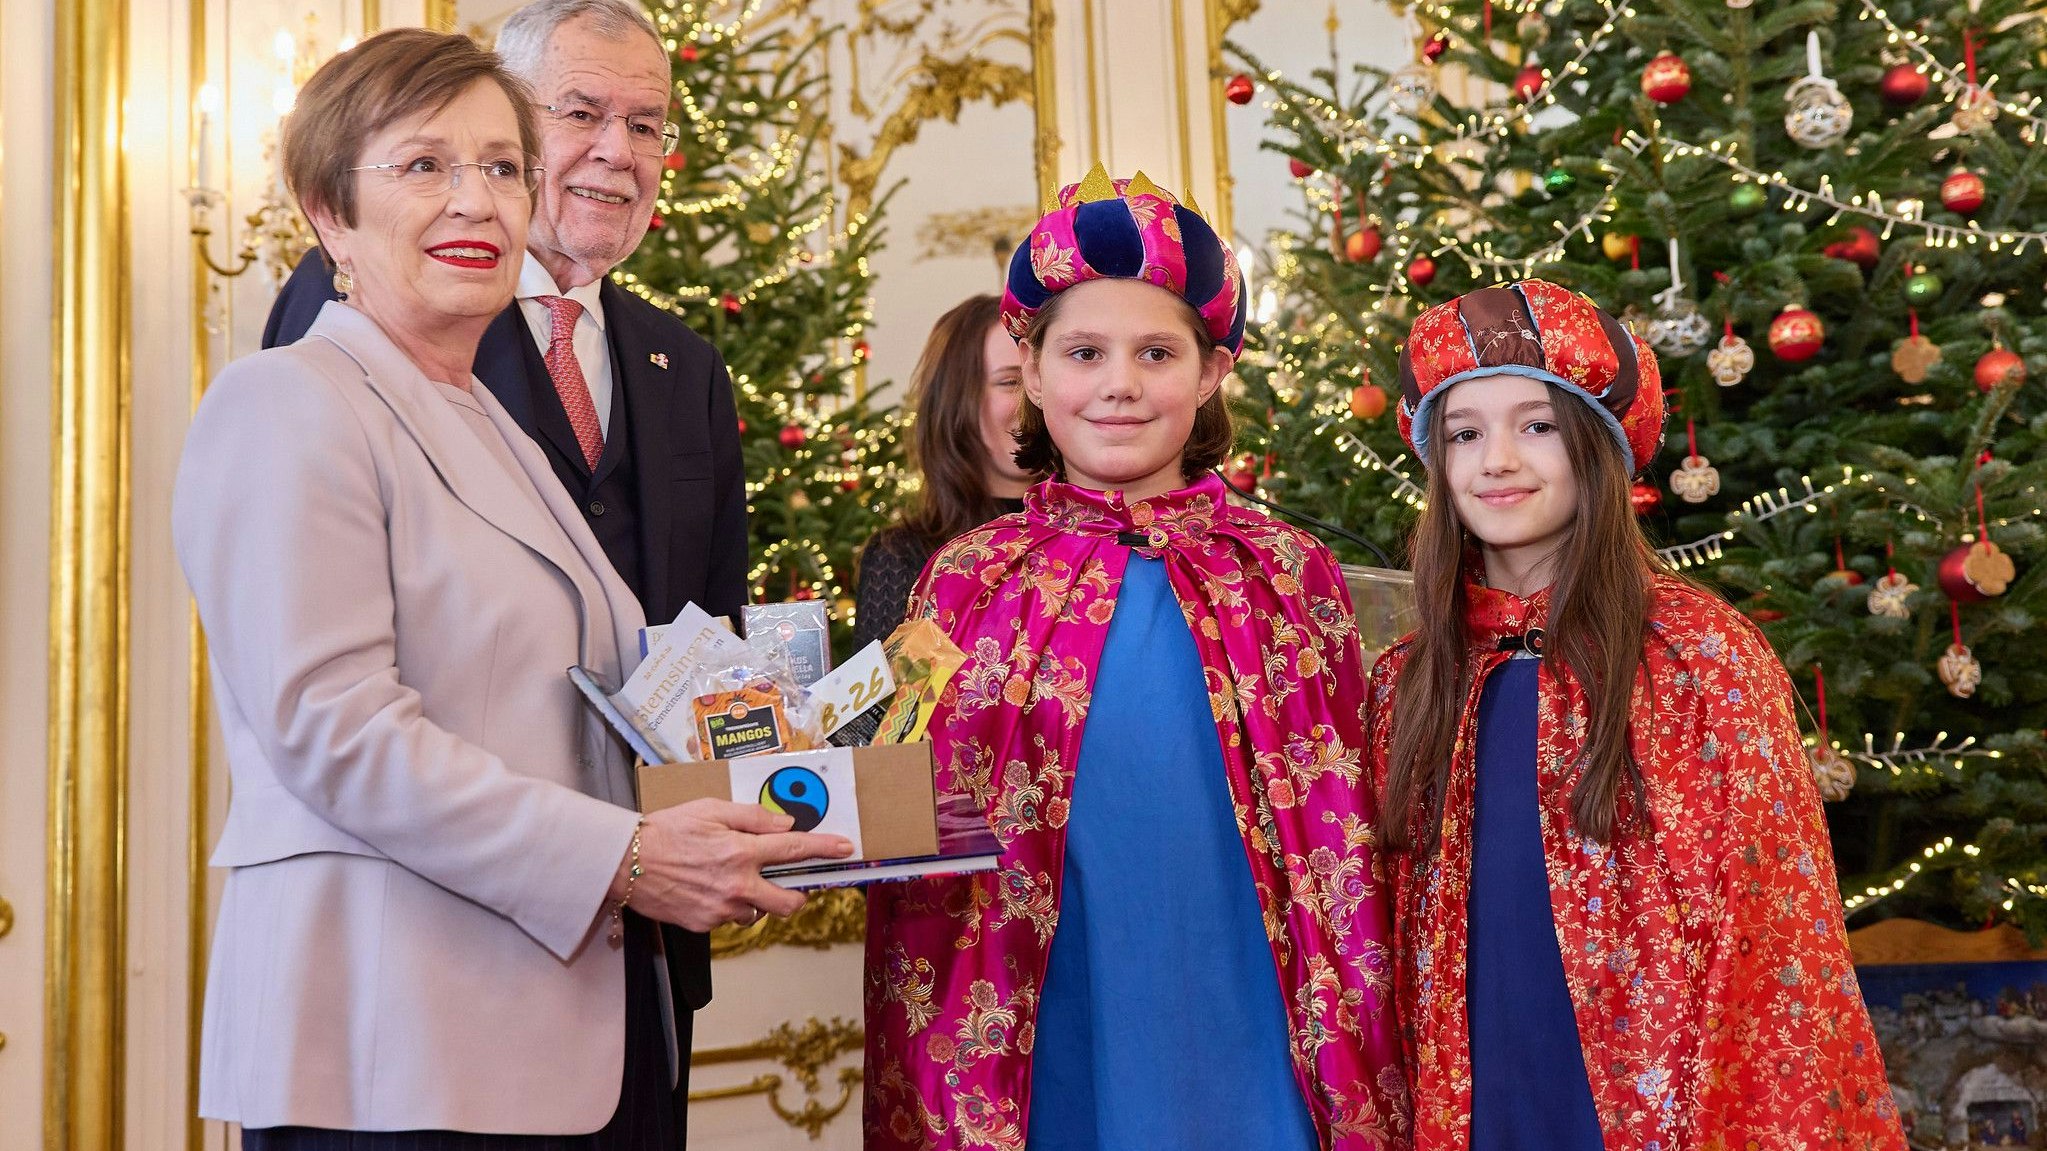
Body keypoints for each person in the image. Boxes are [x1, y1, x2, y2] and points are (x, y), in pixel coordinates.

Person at [175, 29, 849, 1149]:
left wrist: (805, 784)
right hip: (393, 1048)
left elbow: (623, 685)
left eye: (500, 166)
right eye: (425, 165)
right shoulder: (286, 402)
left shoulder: (484, 418)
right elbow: (335, 731)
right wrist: (627, 856)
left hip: (570, 1036)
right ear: (326, 209)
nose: (478, 201)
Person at [262, 0, 746, 1111]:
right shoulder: (349, 331)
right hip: (427, 977)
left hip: (639, 973)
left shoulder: (685, 365)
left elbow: (709, 642)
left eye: (647, 124)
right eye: (579, 113)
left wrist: (756, 807)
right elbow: (333, 712)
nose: (617, 152)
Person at [862, 167, 1406, 1151]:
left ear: (1209, 374)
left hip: (1250, 1005)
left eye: (1156, 352)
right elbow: (892, 779)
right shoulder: (956, 581)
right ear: (1029, 371)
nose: (1119, 382)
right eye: (1084, 351)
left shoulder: (1290, 572)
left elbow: (1352, 828)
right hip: (1041, 1007)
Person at [1364, 280, 1906, 1150]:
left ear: (1600, 445)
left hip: (1653, 1082)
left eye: (1536, 425)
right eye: (1463, 433)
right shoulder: (1410, 679)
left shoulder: (1697, 654)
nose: (1495, 459)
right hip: (1477, 1075)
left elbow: (1770, 933)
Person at [852, 293, 1035, 652]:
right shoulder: (901, 558)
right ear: (956, 399)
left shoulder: (1099, 536)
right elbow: (885, 709)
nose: (1034, 402)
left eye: (1040, 380)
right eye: (1011, 382)